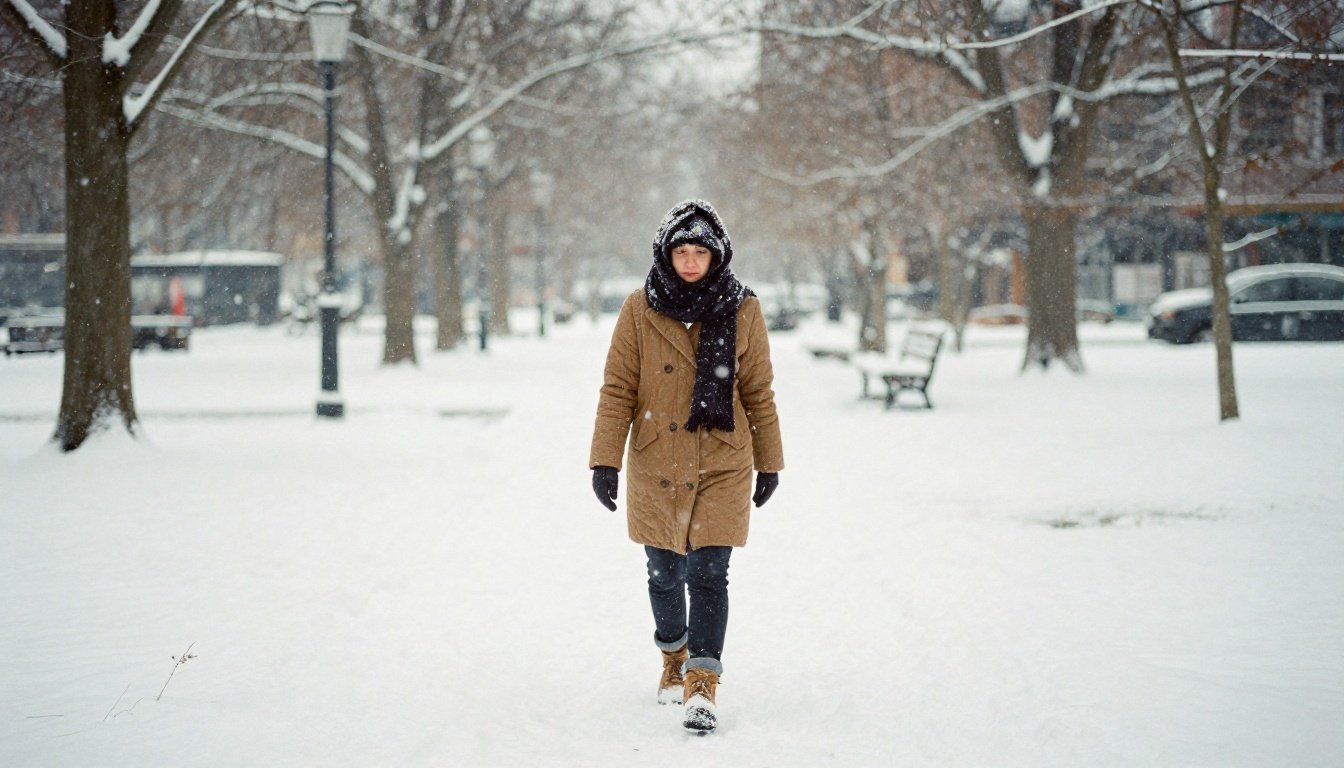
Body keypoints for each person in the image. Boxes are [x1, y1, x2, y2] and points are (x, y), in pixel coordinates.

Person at [588, 199, 784, 734]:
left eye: (701, 252)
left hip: (723, 458)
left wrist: (770, 461)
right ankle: (673, 656)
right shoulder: (639, 308)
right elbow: (618, 388)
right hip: (657, 458)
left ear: (716, 256)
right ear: (666, 254)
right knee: (665, 573)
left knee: (709, 574)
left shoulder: (742, 308)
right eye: (683, 251)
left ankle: (702, 681)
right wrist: (605, 459)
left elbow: (757, 391)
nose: (692, 262)